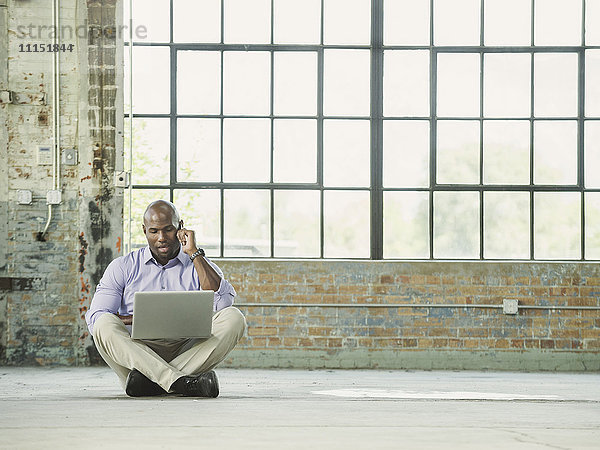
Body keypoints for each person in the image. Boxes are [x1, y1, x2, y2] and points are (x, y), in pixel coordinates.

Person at [85, 200, 246, 397]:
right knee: (104, 324)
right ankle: (183, 382)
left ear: (180, 227)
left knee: (234, 317)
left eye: (168, 230)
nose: (161, 238)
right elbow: (96, 317)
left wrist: (194, 254)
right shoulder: (123, 267)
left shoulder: (199, 264)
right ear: (144, 230)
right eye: (154, 231)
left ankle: (151, 382)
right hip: (136, 350)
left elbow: (223, 304)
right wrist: (140, 319)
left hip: (186, 348)